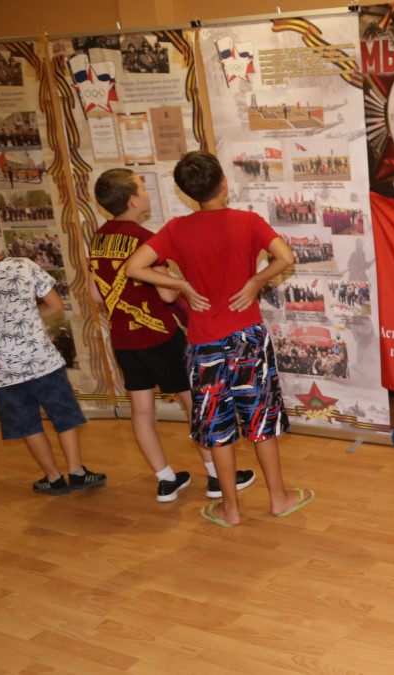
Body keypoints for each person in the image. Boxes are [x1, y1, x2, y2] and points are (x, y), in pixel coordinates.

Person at [125, 150, 312, 527]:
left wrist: (181, 284)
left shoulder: (176, 229)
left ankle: (230, 509)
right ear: (223, 184)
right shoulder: (248, 221)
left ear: (187, 192)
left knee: (217, 428)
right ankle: (278, 498)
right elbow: (286, 257)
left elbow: (134, 267)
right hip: (248, 338)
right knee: (260, 421)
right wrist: (255, 281)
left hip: (203, 344)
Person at [88, 168, 255, 502]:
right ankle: (216, 477)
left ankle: (165, 479)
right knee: (195, 405)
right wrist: (179, 282)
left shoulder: (99, 238)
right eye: (142, 189)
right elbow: (166, 296)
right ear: (133, 201)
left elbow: (95, 295)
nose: (147, 193)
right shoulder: (144, 239)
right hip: (159, 336)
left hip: (123, 338)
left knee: (141, 412)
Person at [0, 211, 106, 495]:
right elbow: (55, 306)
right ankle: (77, 473)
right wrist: (28, 317)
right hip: (44, 362)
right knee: (64, 416)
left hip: (5, 373)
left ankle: (53, 479)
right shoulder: (24, 265)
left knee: (29, 425)